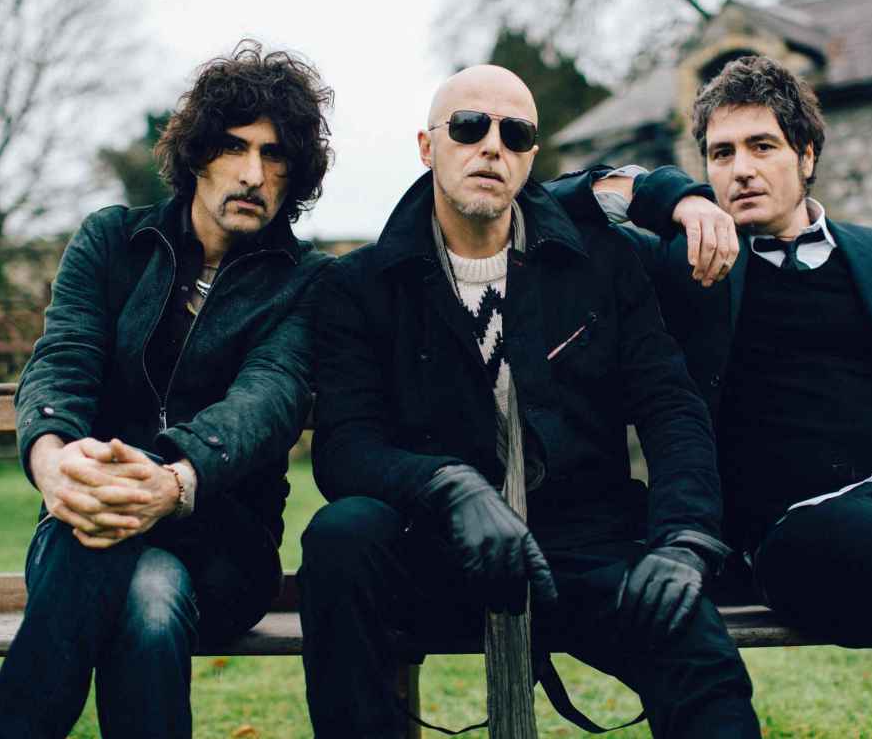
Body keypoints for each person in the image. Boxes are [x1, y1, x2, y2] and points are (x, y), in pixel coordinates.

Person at [299, 65, 761, 738]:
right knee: (341, 537)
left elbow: (670, 406)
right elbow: (345, 448)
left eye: (514, 134)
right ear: (427, 147)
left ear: (530, 157)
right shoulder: (361, 285)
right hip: (434, 549)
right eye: (468, 128)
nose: (492, 146)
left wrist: (685, 540)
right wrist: (449, 487)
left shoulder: (598, 262)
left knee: (695, 648)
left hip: (582, 541)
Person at [586, 55, 872, 738]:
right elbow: (562, 200)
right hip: (796, 535)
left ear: (807, 155)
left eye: (762, 146)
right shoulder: (680, 267)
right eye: (721, 154)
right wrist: (676, 198)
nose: (740, 169)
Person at [0, 41, 333, 739]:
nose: (253, 173)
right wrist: (54, 465)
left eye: (275, 155)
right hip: (85, 517)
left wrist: (171, 480)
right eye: (234, 147)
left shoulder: (307, 281)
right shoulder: (113, 241)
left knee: (127, 565)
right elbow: (63, 360)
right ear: (197, 154)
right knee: (143, 589)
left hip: (225, 543)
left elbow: (269, 396)